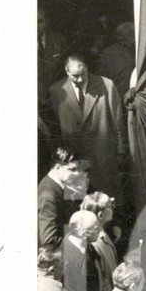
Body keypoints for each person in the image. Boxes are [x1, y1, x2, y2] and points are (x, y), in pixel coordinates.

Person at [48, 52, 127, 201]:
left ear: (87, 67)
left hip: (103, 159)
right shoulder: (56, 91)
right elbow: (55, 129)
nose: (80, 79)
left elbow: (118, 123)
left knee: (106, 205)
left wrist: (121, 151)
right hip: (74, 163)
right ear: (66, 71)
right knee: (79, 209)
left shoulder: (106, 85)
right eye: (74, 76)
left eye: (82, 73)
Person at [38, 147, 85, 248]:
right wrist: (81, 239)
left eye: (77, 168)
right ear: (57, 167)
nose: (77, 173)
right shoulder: (48, 196)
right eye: (72, 169)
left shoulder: (58, 183)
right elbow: (49, 239)